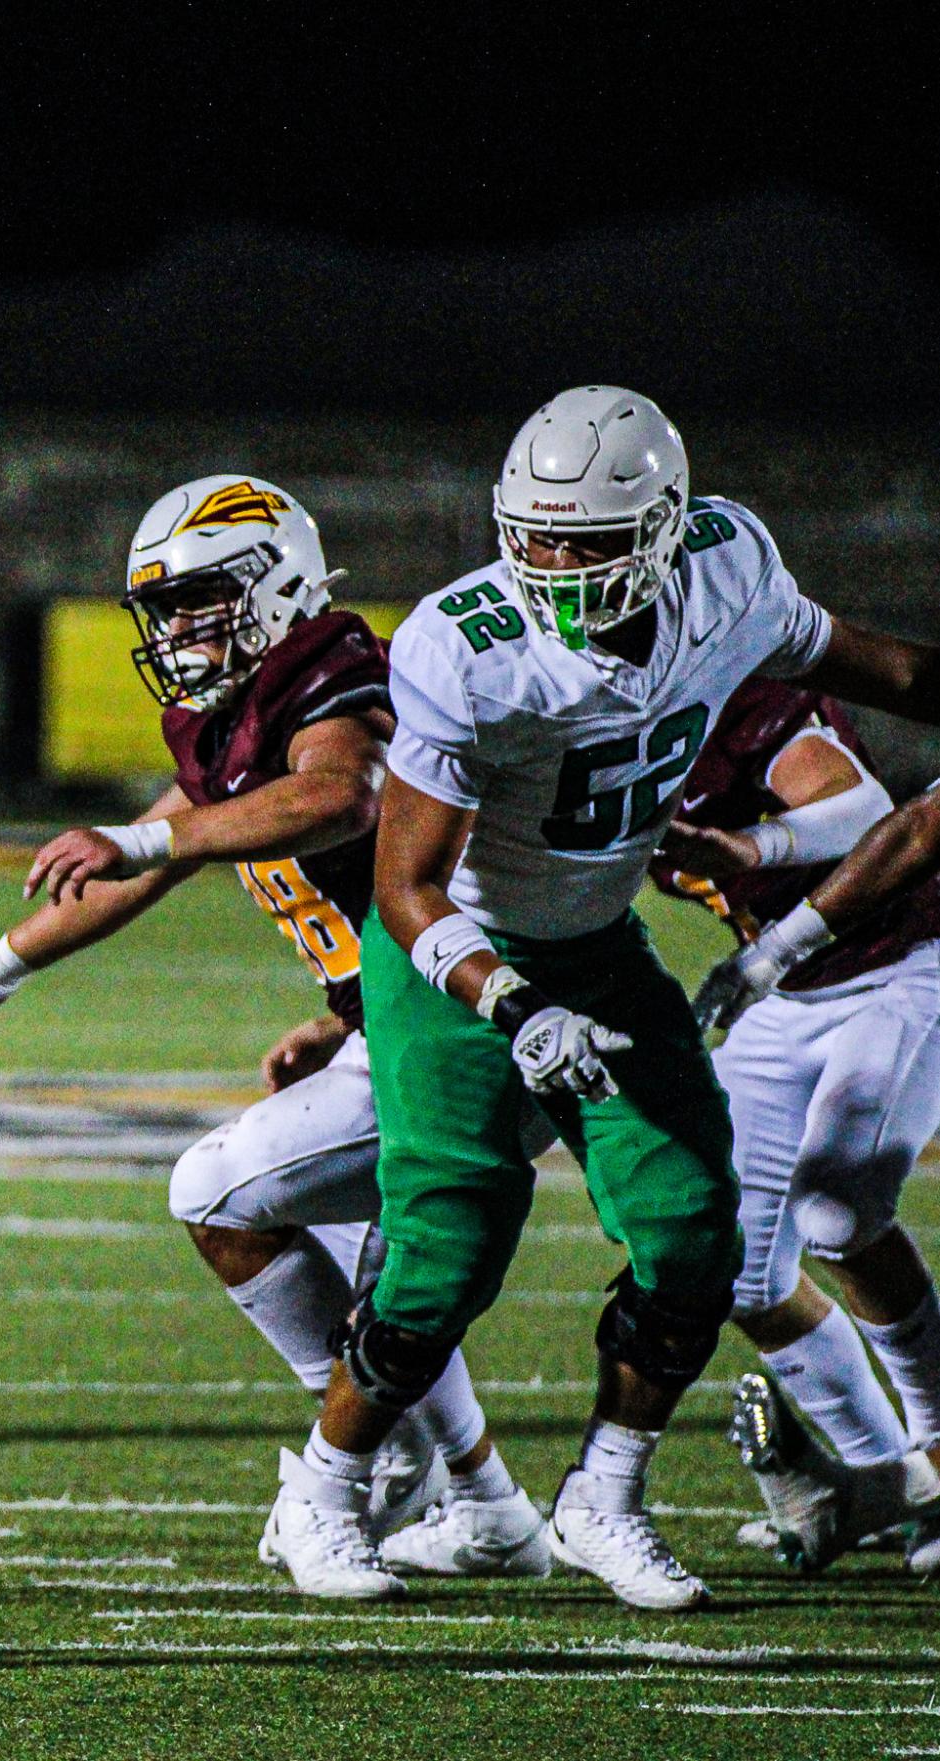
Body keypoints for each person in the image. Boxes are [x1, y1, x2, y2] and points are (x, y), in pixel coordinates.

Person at [298, 384, 940, 1610]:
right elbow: (405, 889)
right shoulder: (465, 646)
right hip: (456, 953)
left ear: (661, 529)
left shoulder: (727, 570)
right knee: (444, 1258)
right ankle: (325, 1492)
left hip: (596, 943)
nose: (546, 563)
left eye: (581, 541)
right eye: (528, 533)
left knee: (698, 1233)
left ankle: (604, 1496)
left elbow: (885, 666)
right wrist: (512, 1008)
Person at [0, 475, 546, 1600]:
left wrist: (143, 845)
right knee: (381, 1264)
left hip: (476, 1014)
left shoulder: (337, 669)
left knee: (216, 1189)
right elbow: (157, 849)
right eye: (167, 610)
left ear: (278, 586)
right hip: (403, 1012)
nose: (178, 632)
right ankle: (490, 1509)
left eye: (203, 600)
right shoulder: (238, 706)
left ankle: (352, 1462)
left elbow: (337, 799)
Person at [680, 742, 940, 1569]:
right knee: (730, 1262)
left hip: (905, 963)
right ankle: (877, 1485)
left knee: (836, 1209)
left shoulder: (743, 695)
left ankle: (917, 1471)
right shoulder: (590, 720)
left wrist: (758, 865)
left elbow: (867, 812)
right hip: (787, 997)